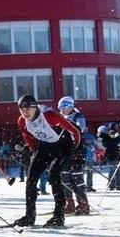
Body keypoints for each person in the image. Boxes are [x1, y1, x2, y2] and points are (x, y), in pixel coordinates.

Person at [14, 94, 81, 227]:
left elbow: (75, 131)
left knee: (53, 174)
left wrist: (75, 149)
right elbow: (26, 134)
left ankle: (58, 216)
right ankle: (29, 215)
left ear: (35, 107)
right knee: (31, 179)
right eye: (22, 109)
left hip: (63, 144)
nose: (25, 112)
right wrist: (34, 150)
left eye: (28, 109)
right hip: (45, 146)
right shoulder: (22, 121)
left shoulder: (50, 116)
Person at [56, 96, 93, 214]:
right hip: (63, 151)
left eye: (63, 108)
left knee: (77, 178)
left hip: (76, 150)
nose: (61, 111)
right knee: (65, 177)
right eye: (60, 108)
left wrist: (66, 122)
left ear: (70, 107)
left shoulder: (78, 116)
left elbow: (80, 129)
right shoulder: (60, 117)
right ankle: (69, 203)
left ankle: (83, 204)